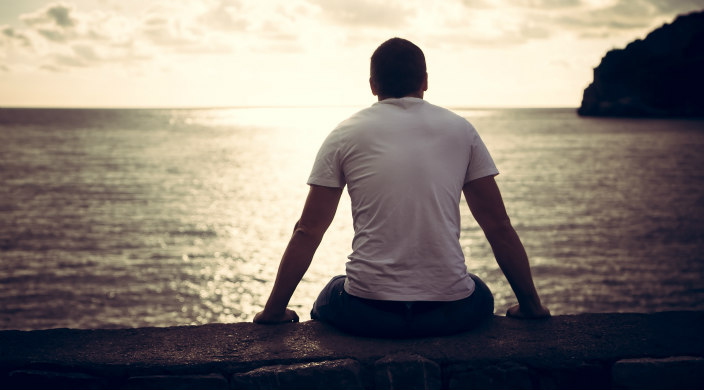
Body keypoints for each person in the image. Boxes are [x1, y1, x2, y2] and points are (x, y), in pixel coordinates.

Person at [253, 37, 550, 337]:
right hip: (449, 313)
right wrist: (531, 307)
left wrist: (274, 311)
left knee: (332, 290)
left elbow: (308, 230)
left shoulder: (343, 133)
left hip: (367, 312)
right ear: (425, 81)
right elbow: (498, 226)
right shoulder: (462, 130)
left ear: (373, 85)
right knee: (478, 289)